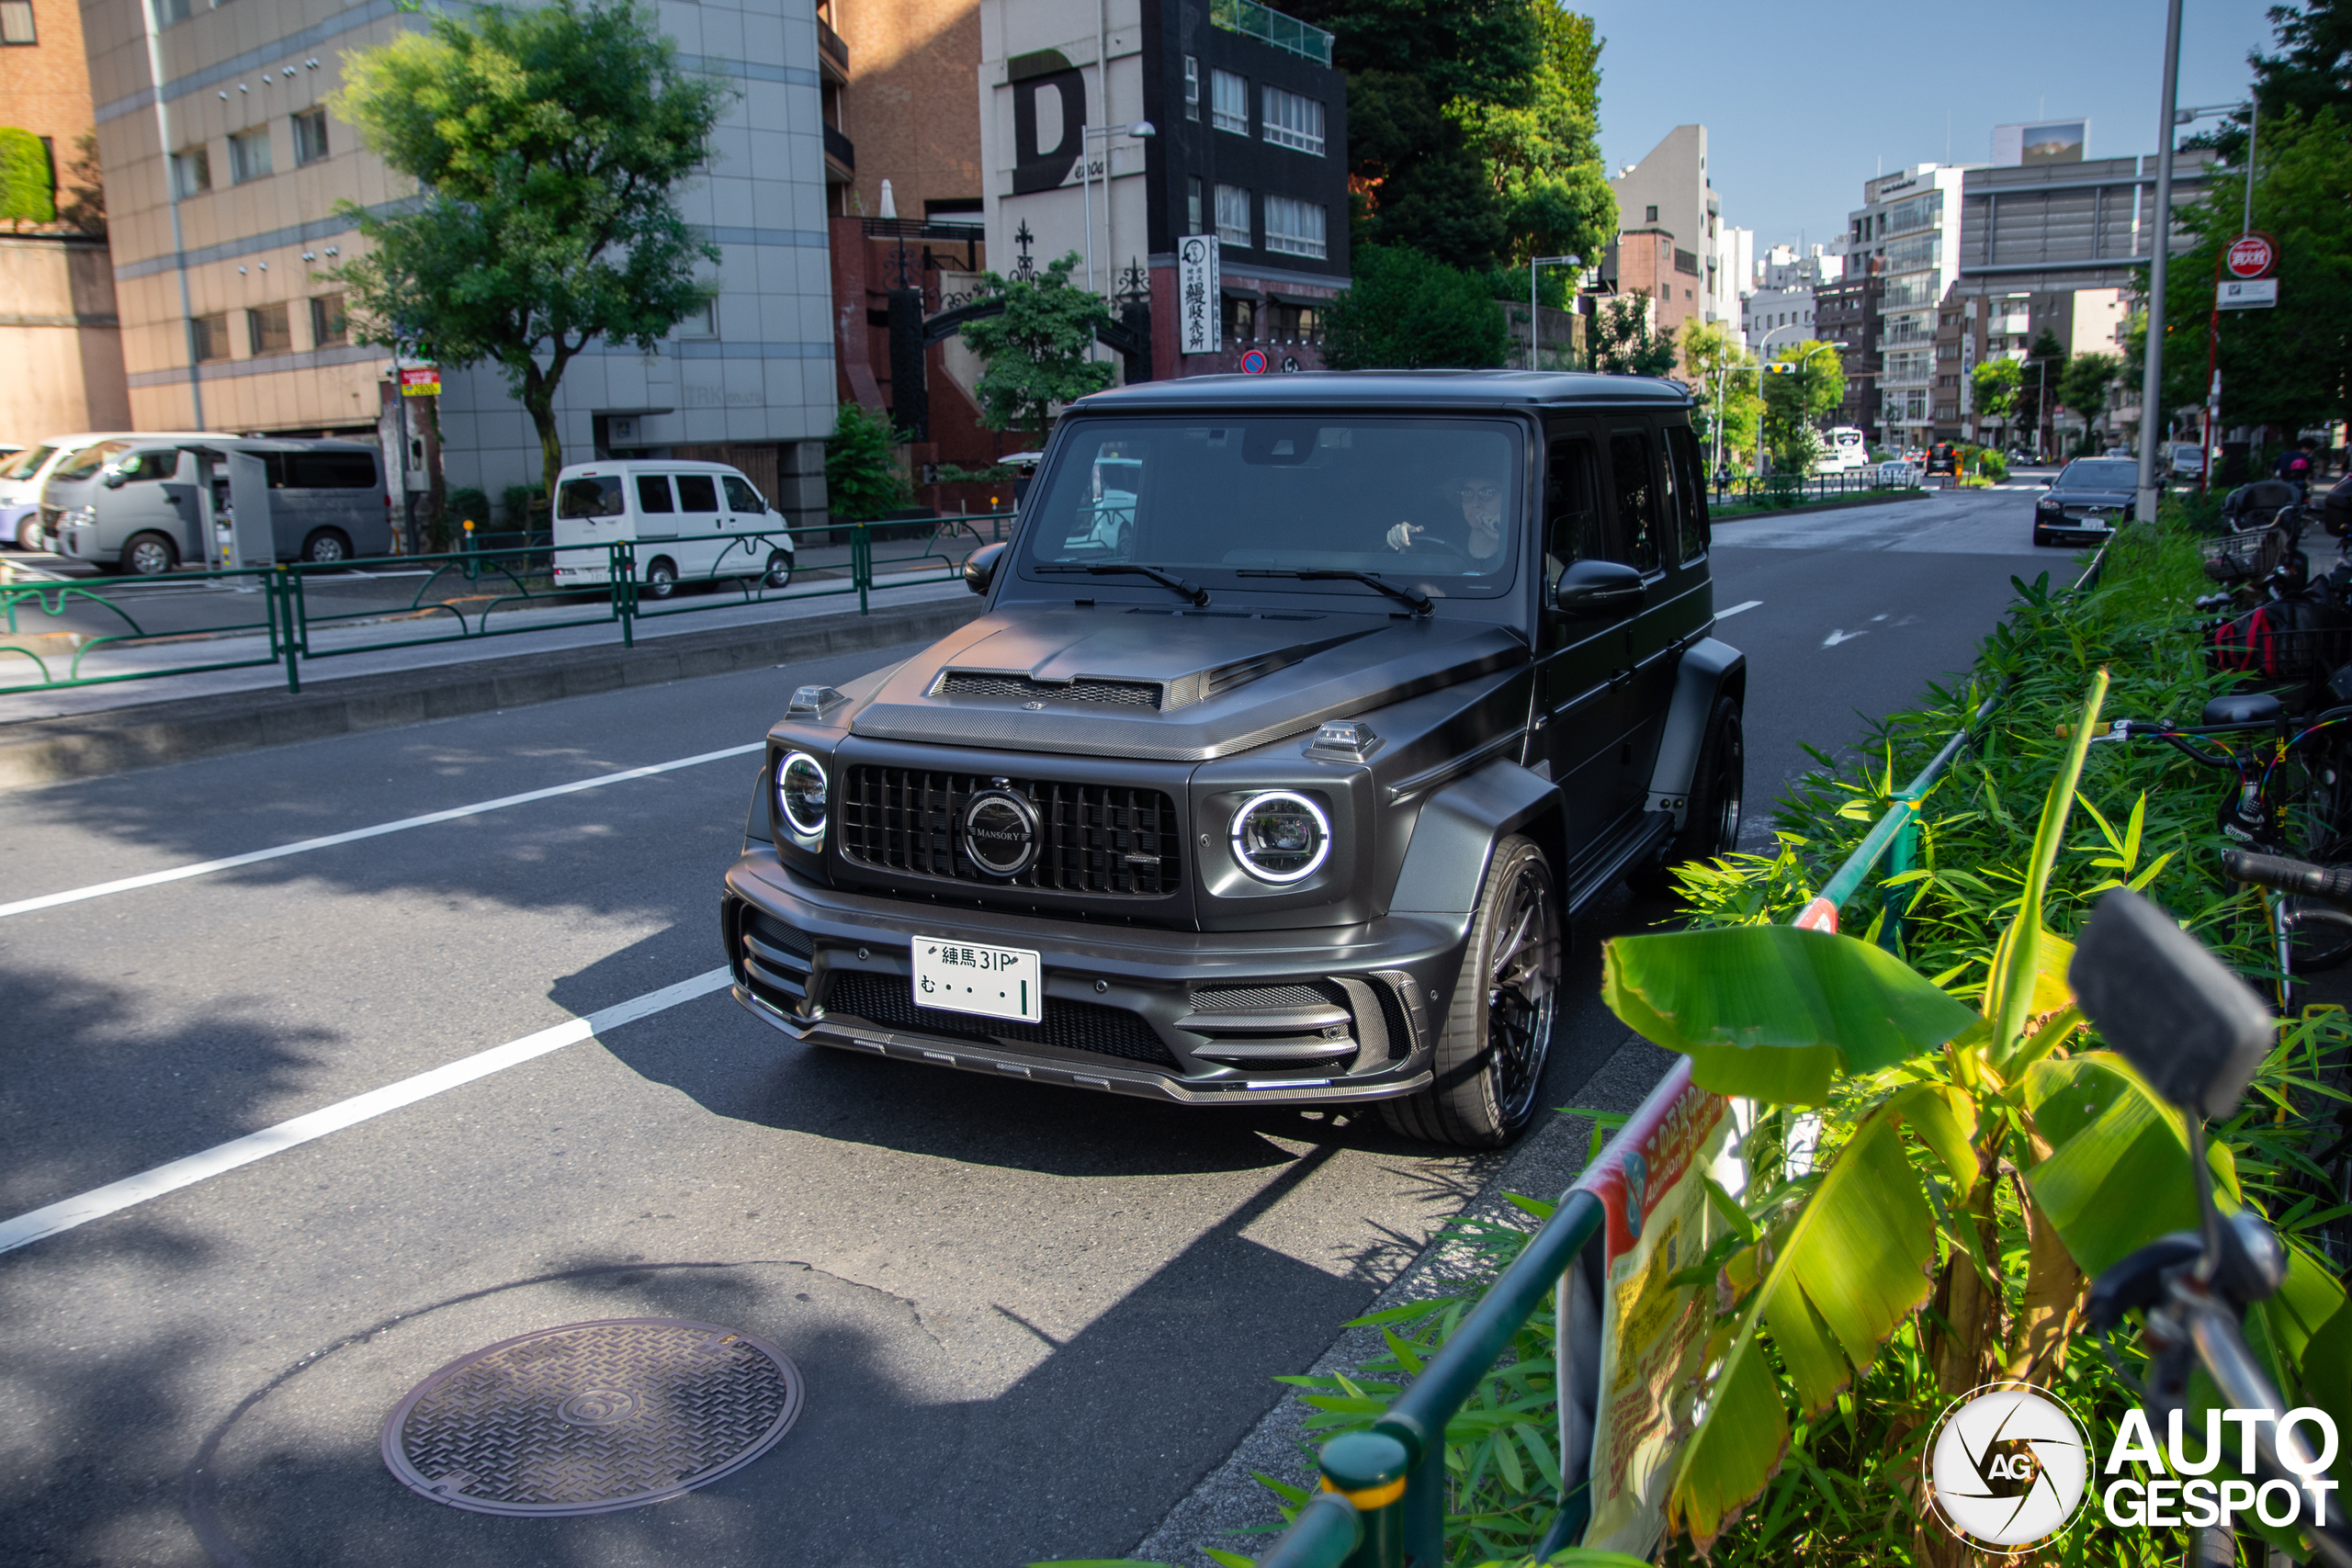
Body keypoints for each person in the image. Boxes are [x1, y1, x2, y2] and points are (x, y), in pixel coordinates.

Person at [1384, 473, 1509, 568]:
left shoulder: (1520, 550)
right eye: (1468, 493)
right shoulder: (1440, 548)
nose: (1476, 503)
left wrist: (1506, 537)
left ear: (1506, 497)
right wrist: (1405, 542)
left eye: (1487, 493)